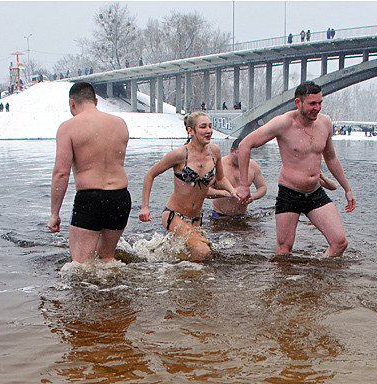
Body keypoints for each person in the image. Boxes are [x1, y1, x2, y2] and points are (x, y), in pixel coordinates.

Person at [236, 81, 356, 257]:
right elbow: (245, 144)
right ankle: (287, 283)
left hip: (315, 192)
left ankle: (319, 279)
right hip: (289, 193)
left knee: (339, 243)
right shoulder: (283, 124)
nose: (317, 108)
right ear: (298, 102)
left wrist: (348, 189)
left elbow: (331, 158)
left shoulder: (325, 123)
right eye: (312, 104)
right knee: (284, 251)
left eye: (320, 103)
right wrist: (244, 185)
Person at [48, 82, 131, 263]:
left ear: (72, 103)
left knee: (80, 266)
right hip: (120, 198)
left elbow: (61, 173)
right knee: (107, 258)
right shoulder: (120, 124)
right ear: (95, 101)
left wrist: (55, 213)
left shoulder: (68, 127)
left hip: (91, 198)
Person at [139, 112, 237, 261]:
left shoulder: (214, 151)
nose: (209, 130)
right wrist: (145, 207)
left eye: (210, 126)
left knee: (191, 259)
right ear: (191, 130)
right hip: (174, 215)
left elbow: (220, 178)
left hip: (196, 218)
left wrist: (232, 191)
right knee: (203, 251)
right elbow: (149, 175)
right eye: (203, 127)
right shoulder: (179, 155)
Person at [208, 139, 268, 217]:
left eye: (247, 155)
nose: (244, 158)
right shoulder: (219, 165)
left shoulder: (252, 166)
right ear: (232, 151)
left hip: (243, 215)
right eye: (241, 154)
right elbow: (205, 191)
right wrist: (227, 193)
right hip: (219, 215)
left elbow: (262, 187)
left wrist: (253, 196)